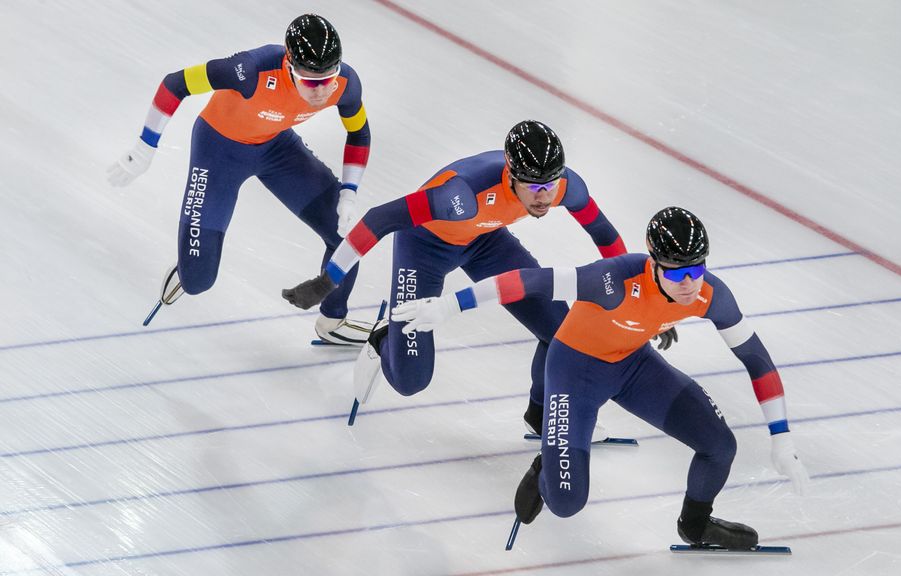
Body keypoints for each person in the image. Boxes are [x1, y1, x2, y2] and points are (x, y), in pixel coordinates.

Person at [389, 207, 810, 549]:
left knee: (720, 446)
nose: (689, 284)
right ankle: (548, 465)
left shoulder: (709, 293)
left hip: (633, 365)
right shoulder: (612, 280)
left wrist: (782, 437)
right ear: (653, 262)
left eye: (696, 270)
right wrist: (449, 306)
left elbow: (756, 359)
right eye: (678, 274)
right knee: (567, 502)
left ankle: (696, 525)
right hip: (575, 371)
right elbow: (525, 281)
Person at [282, 120, 639, 430]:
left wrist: (637, 290)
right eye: (533, 186)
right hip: (424, 247)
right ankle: (384, 339)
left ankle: (541, 414)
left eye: (550, 185)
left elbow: (604, 235)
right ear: (511, 175)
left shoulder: (564, 186)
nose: (544, 197)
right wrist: (327, 281)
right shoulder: (462, 195)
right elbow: (379, 218)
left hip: (484, 239)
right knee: (411, 382)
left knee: (563, 331)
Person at [107, 14, 372, 344]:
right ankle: (190, 266)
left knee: (348, 234)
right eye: (309, 82)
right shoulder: (249, 70)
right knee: (198, 280)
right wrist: (144, 149)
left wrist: (349, 192)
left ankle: (333, 323)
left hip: (276, 147)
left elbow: (358, 133)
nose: (319, 92)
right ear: (288, 66)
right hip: (219, 150)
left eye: (327, 81)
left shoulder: (346, 83)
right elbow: (175, 83)